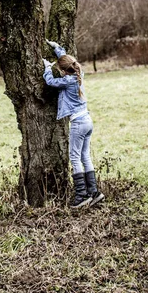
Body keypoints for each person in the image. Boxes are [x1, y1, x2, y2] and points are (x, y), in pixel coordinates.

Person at [42, 40, 105, 208]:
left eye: (60, 71)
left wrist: (48, 68)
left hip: (78, 123)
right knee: (85, 156)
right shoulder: (79, 73)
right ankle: (94, 192)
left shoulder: (68, 80)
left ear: (63, 71)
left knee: (75, 158)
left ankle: (81, 195)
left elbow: (50, 82)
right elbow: (67, 61)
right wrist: (57, 49)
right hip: (87, 120)